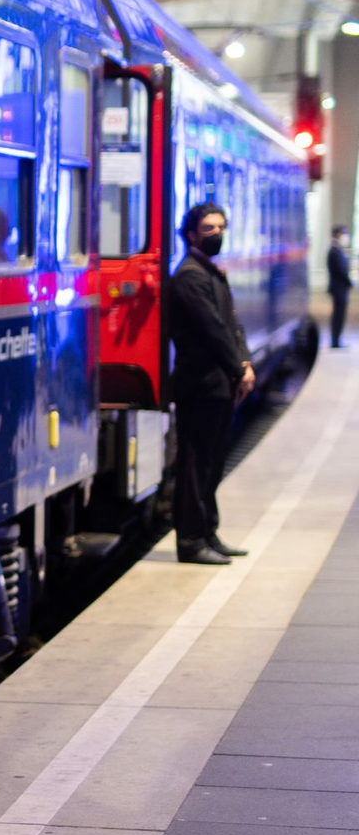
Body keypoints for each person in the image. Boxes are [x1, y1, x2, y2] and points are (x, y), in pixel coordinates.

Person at [170, 201, 255, 565]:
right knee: (195, 465)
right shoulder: (190, 276)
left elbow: (232, 325)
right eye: (209, 228)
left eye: (221, 227)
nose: (217, 234)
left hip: (218, 383)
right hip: (200, 385)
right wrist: (238, 369)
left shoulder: (209, 272)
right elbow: (212, 330)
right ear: (191, 234)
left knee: (212, 463)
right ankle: (191, 541)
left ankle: (208, 532)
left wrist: (244, 363)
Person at [327, 224, 353, 349]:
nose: (345, 236)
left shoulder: (338, 250)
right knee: (338, 316)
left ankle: (337, 340)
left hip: (341, 289)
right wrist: (349, 282)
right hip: (338, 289)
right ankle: (335, 341)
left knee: (340, 315)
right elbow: (340, 271)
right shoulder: (334, 251)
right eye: (344, 233)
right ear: (337, 234)